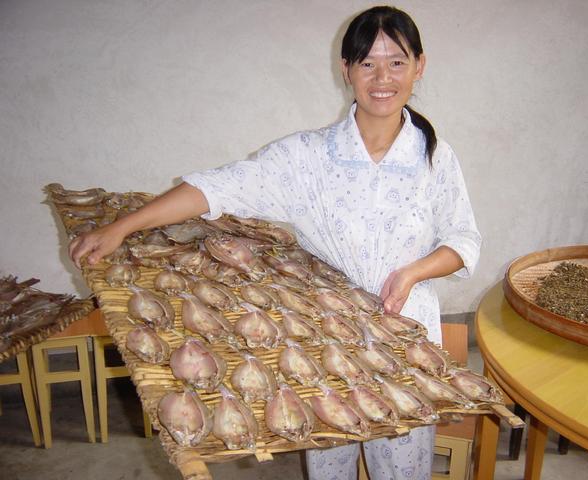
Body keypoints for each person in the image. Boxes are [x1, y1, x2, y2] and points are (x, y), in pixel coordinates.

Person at [69, 6, 481, 480]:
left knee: (403, 471)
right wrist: (123, 226)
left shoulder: (435, 157)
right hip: (324, 343)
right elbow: (217, 188)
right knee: (330, 465)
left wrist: (414, 272)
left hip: (406, 341)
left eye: (397, 61)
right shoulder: (307, 156)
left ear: (419, 66)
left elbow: (463, 239)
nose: (382, 77)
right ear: (345, 70)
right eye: (367, 63)